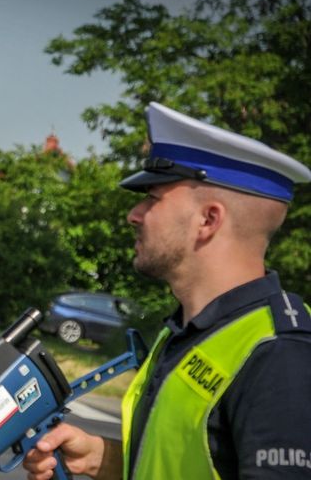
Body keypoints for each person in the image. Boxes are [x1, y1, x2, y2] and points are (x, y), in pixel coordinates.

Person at [23, 102, 311, 479]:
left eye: (152, 198)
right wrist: (99, 458)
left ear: (208, 220)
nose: (134, 214)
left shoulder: (280, 354)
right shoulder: (188, 331)